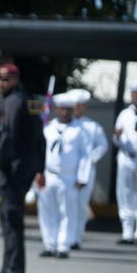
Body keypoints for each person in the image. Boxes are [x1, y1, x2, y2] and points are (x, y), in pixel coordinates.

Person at [0, 62, 45, 273]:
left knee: (11, 219)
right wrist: (41, 169)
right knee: (9, 218)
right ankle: (7, 270)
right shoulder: (31, 100)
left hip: (15, 168)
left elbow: (8, 136)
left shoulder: (13, 102)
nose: (1, 82)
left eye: (6, 78)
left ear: (16, 79)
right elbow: (40, 138)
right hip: (27, 167)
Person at [36, 93, 88, 259]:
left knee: (67, 212)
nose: (64, 113)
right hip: (49, 175)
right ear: (56, 110)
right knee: (47, 211)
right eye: (61, 109)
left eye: (68, 110)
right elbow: (40, 152)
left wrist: (82, 177)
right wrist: (38, 173)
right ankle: (49, 244)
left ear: (72, 111)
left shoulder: (79, 130)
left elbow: (85, 155)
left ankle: (63, 245)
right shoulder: (48, 127)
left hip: (68, 177)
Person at [67, 89, 108, 249]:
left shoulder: (92, 126)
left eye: (80, 105)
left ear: (84, 107)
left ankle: (77, 237)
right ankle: (66, 236)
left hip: (85, 171)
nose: (77, 108)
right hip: (67, 170)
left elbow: (102, 146)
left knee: (81, 204)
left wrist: (90, 159)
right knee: (66, 204)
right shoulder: (64, 125)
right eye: (74, 105)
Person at [115, 79, 137, 244]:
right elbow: (116, 139)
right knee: (125, 193)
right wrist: (117, 136)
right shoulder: (125, 114)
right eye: (134, 94)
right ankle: (127, 231)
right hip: (127, 157)